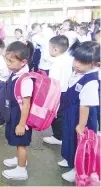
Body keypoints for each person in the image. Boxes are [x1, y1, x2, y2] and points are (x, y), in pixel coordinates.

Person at [58, 41, 100, 182]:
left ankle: (77, 169)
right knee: (68, 136)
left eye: (82, 62)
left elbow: (85, 106)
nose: (77, 64)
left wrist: (81, 126)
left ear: (95, 64)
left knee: (79, 143)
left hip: (82, 117)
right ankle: (69, 159)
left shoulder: (91, 82)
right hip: (71, 112)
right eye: (76, 59)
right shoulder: (78, 71)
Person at [2, 41, 34, 180]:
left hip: (21, 118)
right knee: (17, 141)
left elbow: (26, 105)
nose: (8, 63)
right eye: (6, 60)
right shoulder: (16, 73)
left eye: (11, 61)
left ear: (23, 62)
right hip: (14, 114)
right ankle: (20, 160)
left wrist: (21, 124)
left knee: (21, 144)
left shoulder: (25, 79)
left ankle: (21, 170)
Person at [43, 35, 72, 145]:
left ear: (55, 50)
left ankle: (58, 137)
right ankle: (62, 135)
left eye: (49, 48)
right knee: (63, 114)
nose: (48, 50)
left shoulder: (56, 63)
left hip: (58, 92)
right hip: (67, 90)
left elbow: (53, 81)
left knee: (56, 114)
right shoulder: (68, 58)